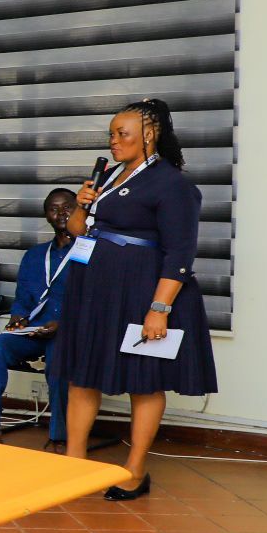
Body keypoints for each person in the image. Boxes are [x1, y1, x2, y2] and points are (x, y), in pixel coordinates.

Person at [58, 99, 216, 502]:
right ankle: (73, 465)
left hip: (142, 290)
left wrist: (159, 309)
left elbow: (180, 253)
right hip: (96, 290)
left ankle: (134, 470)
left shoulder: (173, 184)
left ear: (149, 134)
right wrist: (82, 202)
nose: (113, 141)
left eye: (121, 133)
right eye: (111, 134)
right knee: (82, 373)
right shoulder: (110, 176)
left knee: (144, 380)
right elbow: (78, 230)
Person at [0, 190, 77, 449]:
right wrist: (18, 317)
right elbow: (22, 297)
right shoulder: (34, 255)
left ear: (79, 211)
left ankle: (60, 436)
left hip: (70, 331)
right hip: (35, 329)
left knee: (58, 355)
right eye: (54, 209)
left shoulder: (91, 252)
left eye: (67, 207)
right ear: (47, 216)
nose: (61, 213)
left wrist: (63, 324)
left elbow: (96, 301)